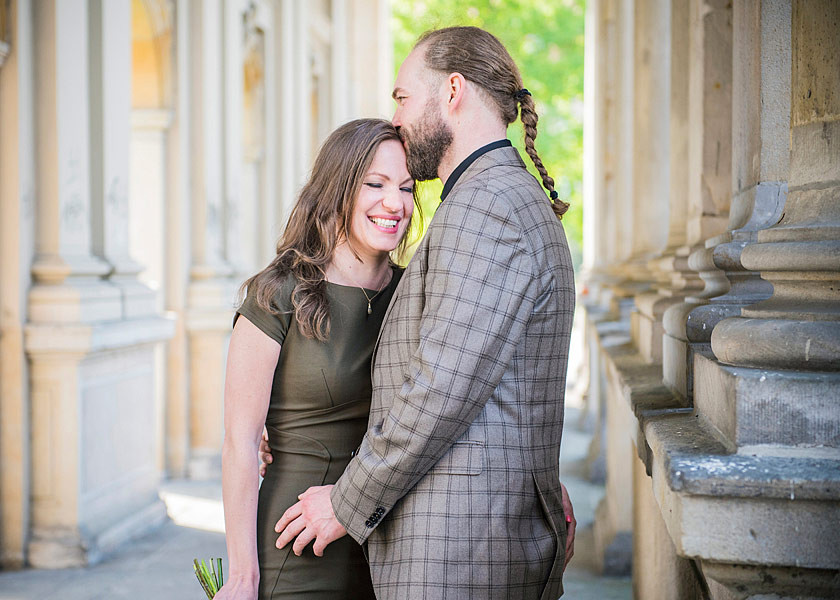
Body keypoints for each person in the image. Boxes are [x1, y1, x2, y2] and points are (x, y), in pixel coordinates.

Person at [273, 26, 577, 600]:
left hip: (458, 552)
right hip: (474, 540)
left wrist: (346, 501)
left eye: (403, 97)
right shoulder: (497, 197)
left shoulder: (486, 206)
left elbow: (439, 387)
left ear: (453, 90)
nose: (398, 117)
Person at [215, 118, 416, 600]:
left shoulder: (415, 293)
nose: (395, 203)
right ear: (338, 188)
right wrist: (242, 576)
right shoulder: (278, 293)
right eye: (375, 184)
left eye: (407, 188)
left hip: (396, 547)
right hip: (298, 544)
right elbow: (240, 443)